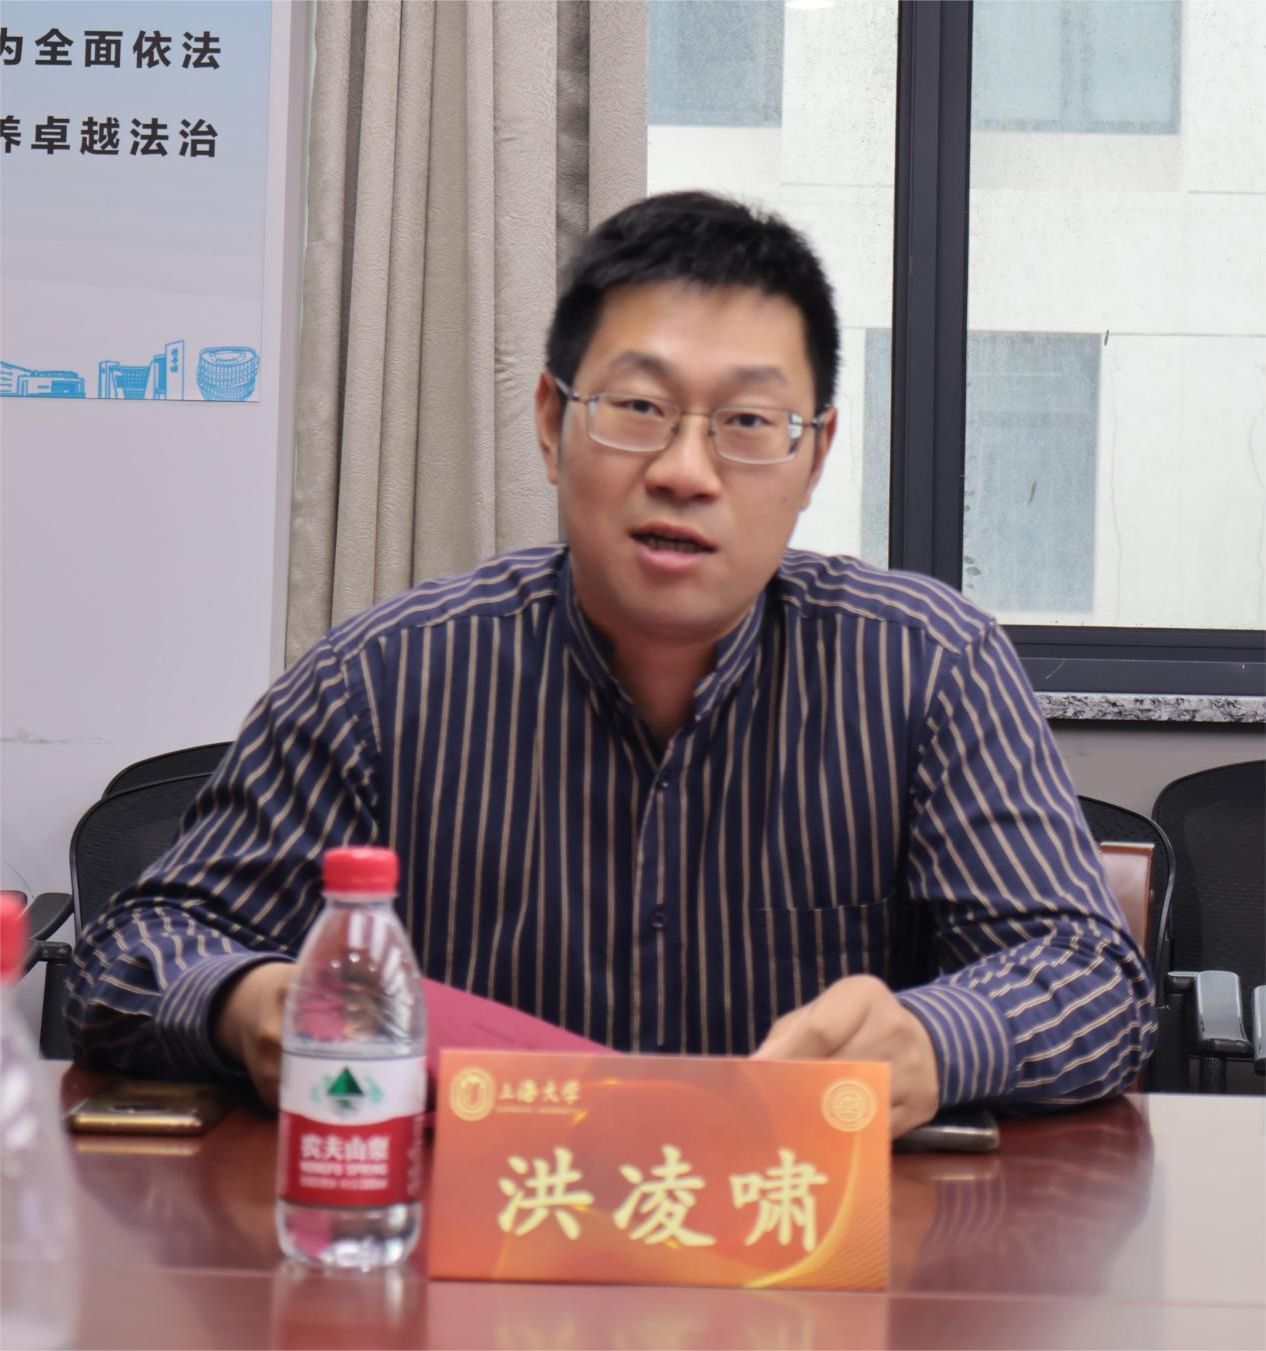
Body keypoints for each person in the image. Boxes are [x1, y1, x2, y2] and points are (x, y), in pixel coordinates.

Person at [67, 192, 1156, 1136]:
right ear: (552, 423)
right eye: (639, 408)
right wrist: (250, 1003)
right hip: (473, 1252)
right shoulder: (380, 681)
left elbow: (1092, 980)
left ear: (815, 455)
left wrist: (932, 1039)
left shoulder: (928, 670)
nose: (686, 471)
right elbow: (134, 951)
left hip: (802, 1248)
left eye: (747, 421)